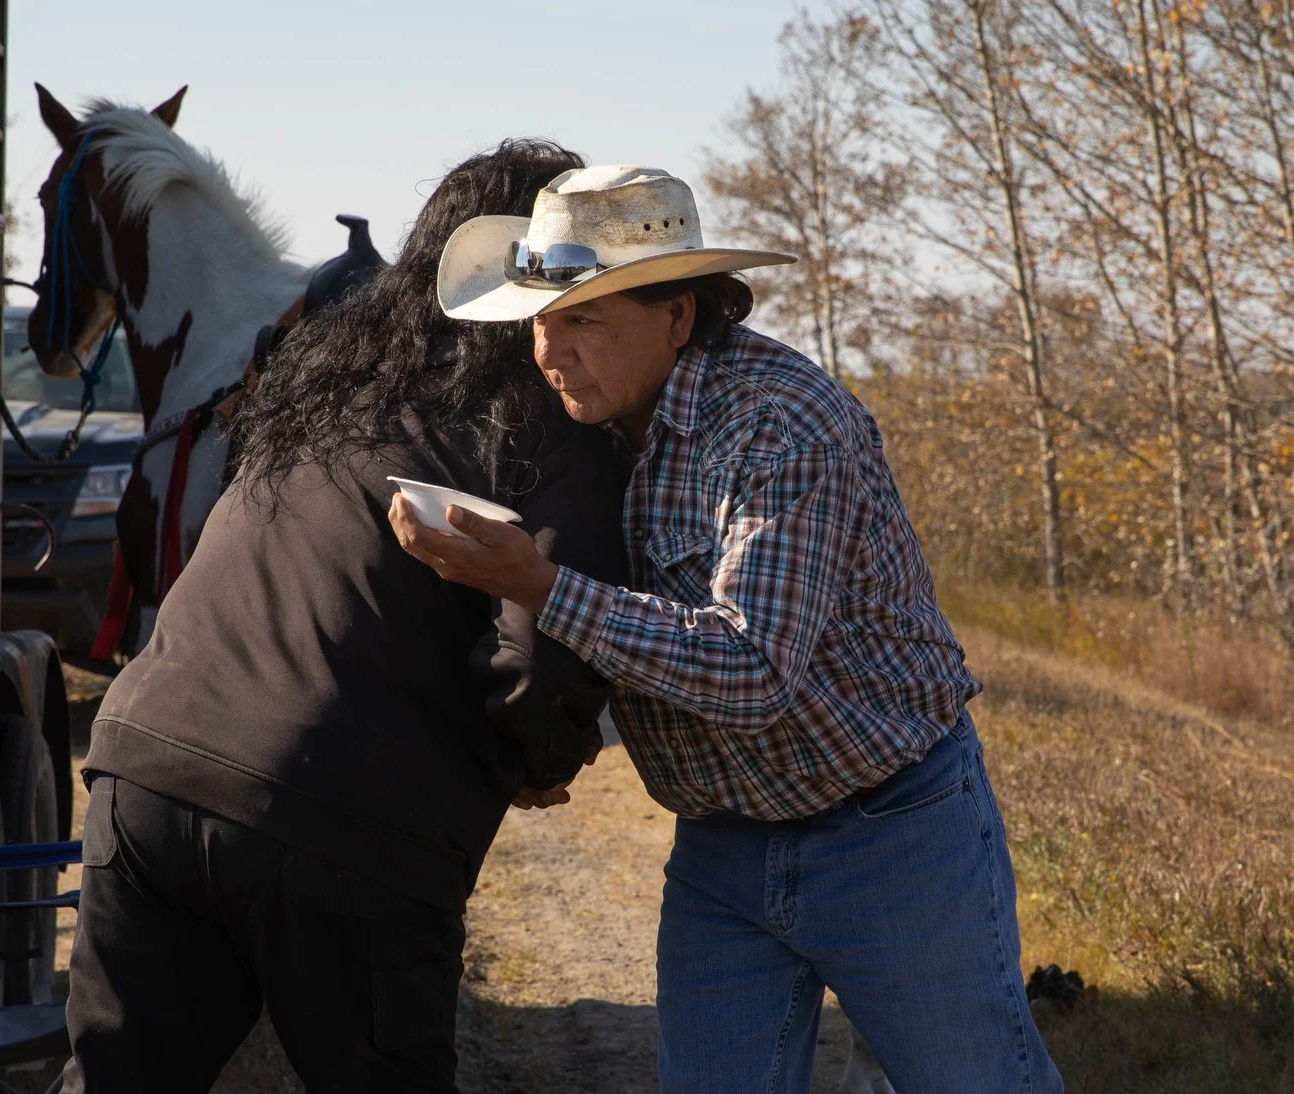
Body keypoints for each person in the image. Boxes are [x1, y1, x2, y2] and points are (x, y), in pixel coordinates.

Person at [390, 165, 1063, 1094]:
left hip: (893, 836)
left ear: (679, 315)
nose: (550, 351)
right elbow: (617, 627)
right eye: (540, 319)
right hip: (720, 847)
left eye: (584, 318)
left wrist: (542, 588)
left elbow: (750, 668)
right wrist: (544, 737)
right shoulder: (581, 424)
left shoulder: (782, 426)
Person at [59, 141, 628, 1094]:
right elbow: (548, 649)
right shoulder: (545, 417)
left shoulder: (327, 376)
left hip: (143, 767)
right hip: (342, 818)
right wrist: (536, 758)